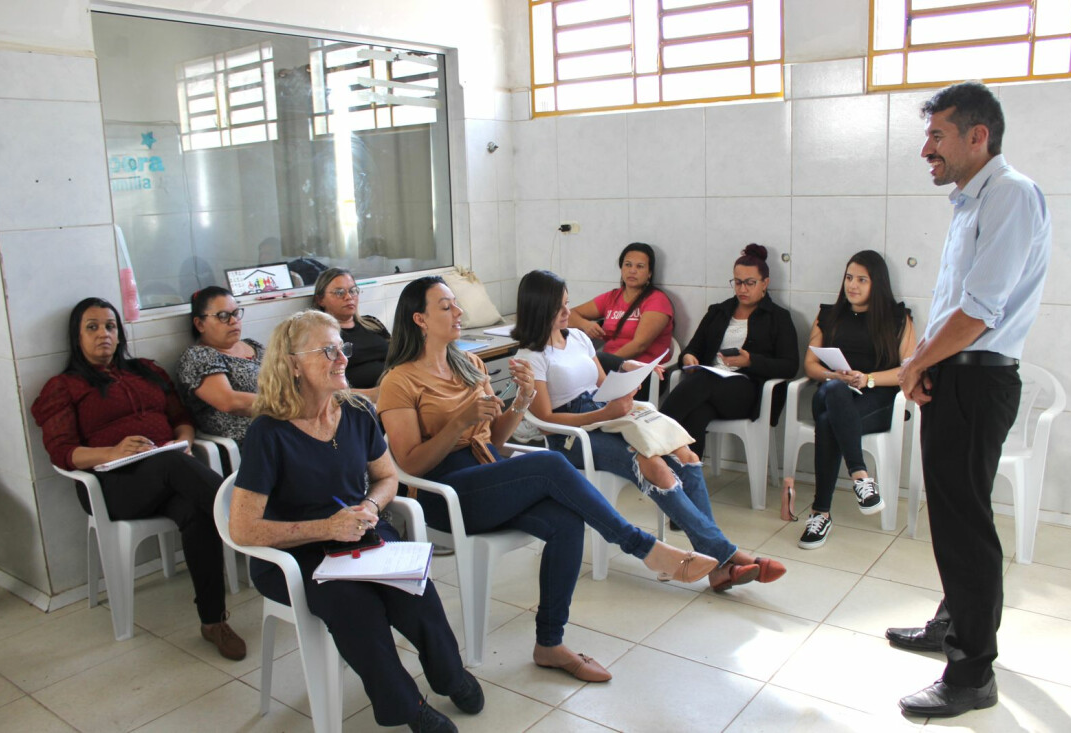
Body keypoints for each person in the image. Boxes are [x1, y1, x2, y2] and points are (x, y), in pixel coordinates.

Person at [378, 276, 717, 683]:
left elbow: (496, 439)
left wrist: (519, 401)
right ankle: (642, 547)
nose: (459, 312)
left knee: (566, 521)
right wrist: (458, 424)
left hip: (486, 474)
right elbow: (410, 464)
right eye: (446, 307)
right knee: (552, 463)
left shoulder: (470, 365)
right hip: (445, 494)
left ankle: (550, 644)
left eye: (456, 304)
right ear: (419, 319)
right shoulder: (399, 380)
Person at [230, 310, 479, 732]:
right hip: (296, 554)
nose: (341, 358)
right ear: (292, 363)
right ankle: (408, 707)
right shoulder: (268, 434)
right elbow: (244, 528)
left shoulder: (357, 411)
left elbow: (386, 477)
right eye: (327, 351)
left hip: (358, 534)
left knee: (416, 592)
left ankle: (450, 676)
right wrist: (325, 528)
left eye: (341, 347)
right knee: (356, 610)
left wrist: (371, 507)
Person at [889, 82, 1051, 718]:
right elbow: (954, 304)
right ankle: (953, 623)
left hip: (978, 379)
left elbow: (981, 312)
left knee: (965, 523)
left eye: (937, 136)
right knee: (953, 512)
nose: (925, 148)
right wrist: (927, 360)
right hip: (955, 374)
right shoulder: (969, 203)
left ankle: (971, 673)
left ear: (977, 136)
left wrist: (916, 363)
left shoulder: (1010, 194)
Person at [514, 270, 786, 592]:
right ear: (538, 308)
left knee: (685, 455)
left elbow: (603, 384)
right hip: (572, 436)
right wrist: (606, 412)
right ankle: (726, 556)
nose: (567, 312)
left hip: (603, 415)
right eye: (559, 307)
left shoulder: (578, 338)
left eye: (567, 304)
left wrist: (627, 386)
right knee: (653, 464)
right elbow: (545, 417)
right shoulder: (530, 356)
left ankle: (717, 564)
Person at [31, 297, 246, 661]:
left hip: (165, 472)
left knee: (195, 513)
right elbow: (62, 451)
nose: (104, 334)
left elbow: (181, 419)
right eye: (93, 327)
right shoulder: (64, 387)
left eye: (111, 326)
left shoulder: (146, 371)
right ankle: (250, 517)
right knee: (172, 466)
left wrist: (183, 442)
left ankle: (213, 621)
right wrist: (112, 452)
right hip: (111, 485)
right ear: (76, 336)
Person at [788, 251, 916, 548]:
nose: (852, 285)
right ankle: (861, 477)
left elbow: (908, 370)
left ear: (877, 284)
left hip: (877, 401)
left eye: (861, 279)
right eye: (849, 278)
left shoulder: (898, 318)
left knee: (827, 421)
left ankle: (820, 513)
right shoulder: (829, 314)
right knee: (833, 393)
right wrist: (837, 377)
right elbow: (810, 365)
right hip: (832, 391)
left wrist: (867, 378)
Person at [660, 244, 799, 459]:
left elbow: (790, 366)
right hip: (707, 387)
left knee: (704, 380)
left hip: (747, 392)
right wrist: (687, 357)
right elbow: (693, 347)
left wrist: (750, 361)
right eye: (738, 282)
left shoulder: (778, 318)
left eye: (750, 283)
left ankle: (654, 433)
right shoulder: (719, 311)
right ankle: (687, 478)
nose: (742, 289)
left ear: (765, 284)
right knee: (697, 414)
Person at [568, 242, 674, 374]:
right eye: (628, 264)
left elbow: (639, 345)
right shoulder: (612, 297)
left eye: (640, 266)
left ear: (649, 273)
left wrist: (603, 364)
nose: (632, 270)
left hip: (643, 371)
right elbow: (568, 315)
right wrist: (585, 324)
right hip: (609, 365)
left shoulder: (657, 300)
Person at [177, 286, 263, 445]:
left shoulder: (254, 346)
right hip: (249, 439)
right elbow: (229, 401)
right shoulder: (198, 356)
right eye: (223, 316)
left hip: (284, 422)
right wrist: (287, 404)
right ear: (200, 324)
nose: (233, 321)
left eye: (236, 313)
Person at [314, 267, 390, 401]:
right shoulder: (322, 336)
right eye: (339, 292)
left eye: (353, 291)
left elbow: (401, 355)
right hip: (359, 402)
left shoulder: (372, 323)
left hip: (398, 389)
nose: (348, 297)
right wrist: (374, 394)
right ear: (320, 300)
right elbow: (323, 389)